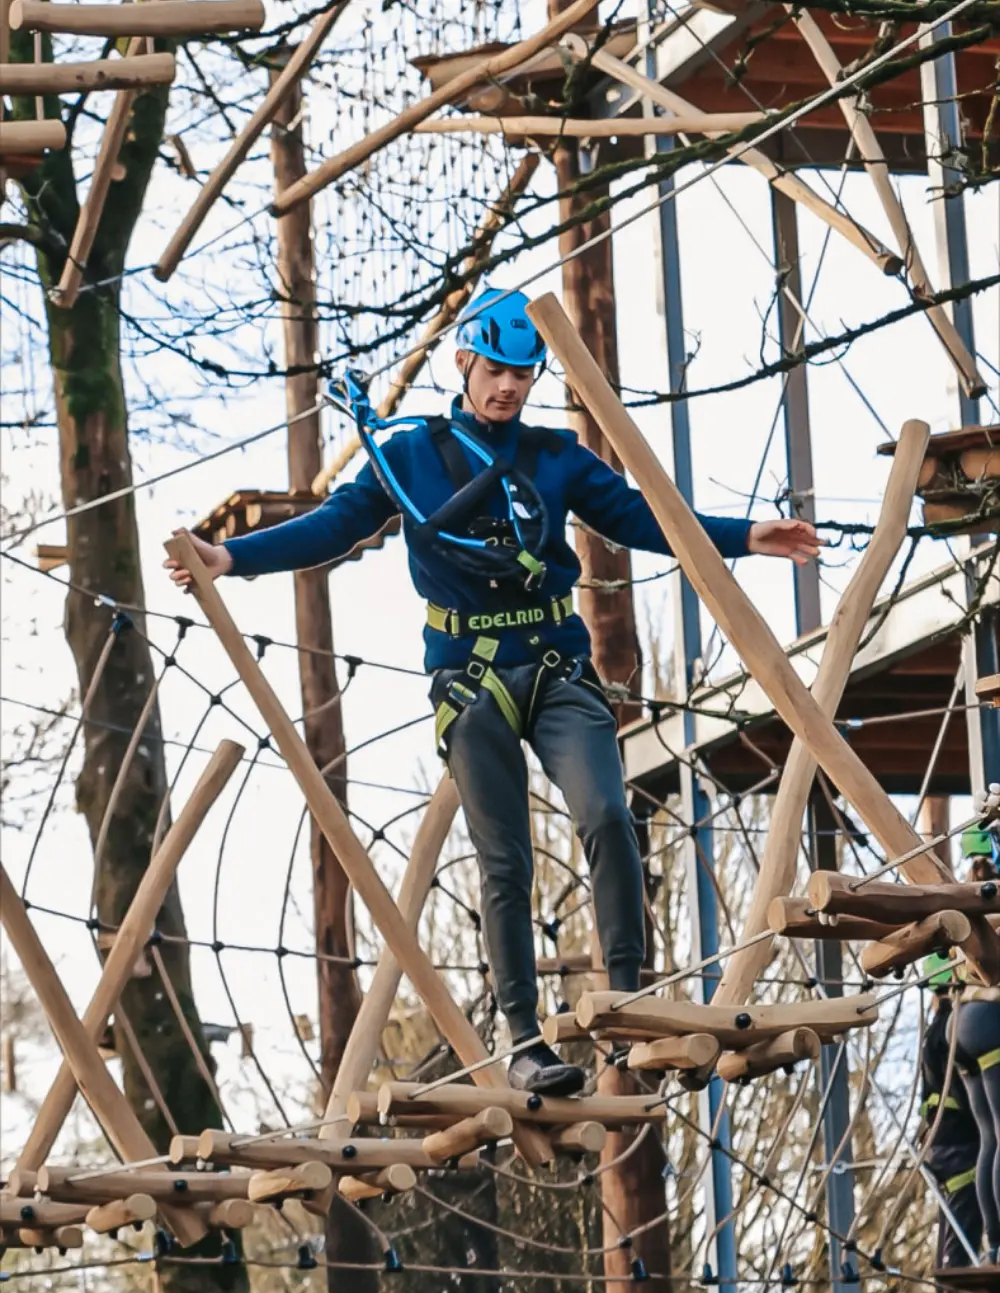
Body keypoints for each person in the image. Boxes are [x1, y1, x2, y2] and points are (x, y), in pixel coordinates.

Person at [165, 288, 820, 1096]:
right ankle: (523, 1042)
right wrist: (231, 558)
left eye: (524, 373)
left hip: (554, 665)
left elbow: (641, 516)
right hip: (470, 676)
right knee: (503, 859)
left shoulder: (555, 457)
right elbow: (334, 525)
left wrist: (745, 536)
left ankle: (627, 1000)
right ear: (463, 362)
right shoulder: (406, 457)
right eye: (498, 370)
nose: (510, 387)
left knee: (608, 815)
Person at [920, 952, 982, 1293]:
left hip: (947, 1148)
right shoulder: (947, 1032)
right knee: (961, 1237)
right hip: (958, 1149)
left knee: (955, 1235)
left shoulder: (937, 1030)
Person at [948, 827, 1000, 1265]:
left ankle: (995, 1241)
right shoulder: (994, 900)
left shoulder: (966, 896)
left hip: (960, 1023)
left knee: (990, 1138)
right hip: (988, 1019)